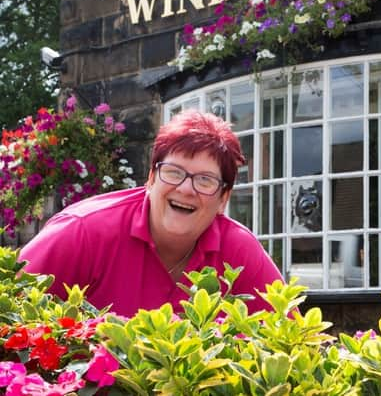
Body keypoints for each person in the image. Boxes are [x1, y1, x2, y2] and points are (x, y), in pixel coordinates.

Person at [19, 111, 284, 317]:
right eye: (173, 172)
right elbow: (12, 310)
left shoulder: (239, 249)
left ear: (223, 198)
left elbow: (292, 340)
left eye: (205, 180)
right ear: (151, 178)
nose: (186, 189)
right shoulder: (82, 231)